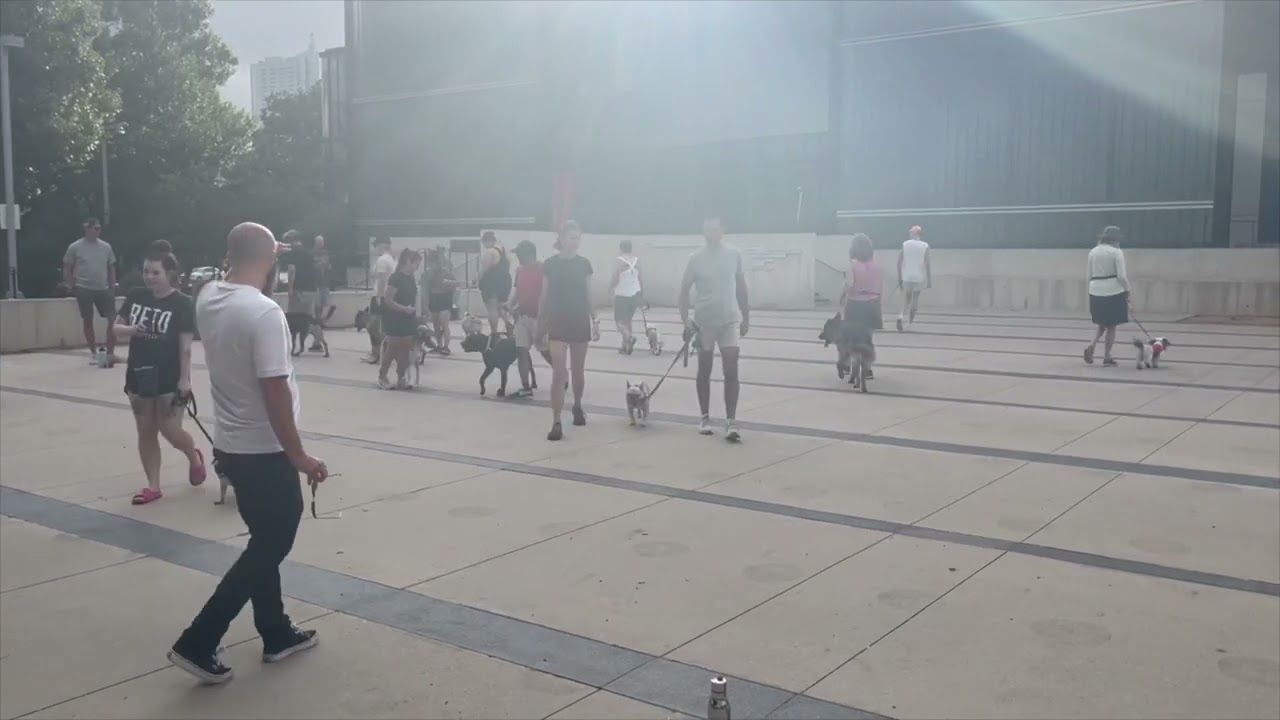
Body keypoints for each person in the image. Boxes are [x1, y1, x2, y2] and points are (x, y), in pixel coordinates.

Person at [167, 222, 327, 685]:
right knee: (272, 543)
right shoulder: (264, 313)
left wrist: (261, 252)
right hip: (265, 450)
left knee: (263, 542)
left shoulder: (209, 297)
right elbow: (274, 390)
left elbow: (243, 261)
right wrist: (299, 456)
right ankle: (200, 638)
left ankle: (276, 632)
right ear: (271, 259)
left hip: (231, 446)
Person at [113, 240, 204, 505]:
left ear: (170, 275)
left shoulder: (183, 303)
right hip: (139, 375)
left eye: (156, 272)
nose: (150, 277)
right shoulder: (135, 296)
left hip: (169, 376)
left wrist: (184, 379)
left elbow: (185, 347)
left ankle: (193, 456)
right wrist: (133, 330)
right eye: (146, 271)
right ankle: (153, 485)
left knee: (170, 429)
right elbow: (117, 329)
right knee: (146, 430)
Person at [679, 214, 750, 441]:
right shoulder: (695, 258)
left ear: (723, 230)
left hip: (729, 320)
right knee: (705, 369)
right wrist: (685, 321)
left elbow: (741, 287)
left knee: (731, 368)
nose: (711, 234)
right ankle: (705, 416)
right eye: (707, 230)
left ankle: (731, 421)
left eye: (715, 230)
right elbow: (683, 292)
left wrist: (746, 316)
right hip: (704, 323)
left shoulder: (734, 254)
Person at [537, 221, 595, 440]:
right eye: (572, 238)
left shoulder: (584, 264)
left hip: (580, 319)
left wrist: (595, 318)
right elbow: (544, 295)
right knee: (559, 372)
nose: (575, 242)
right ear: (561, 238)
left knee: (578, 370)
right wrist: (540, 323)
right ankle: (556, 420)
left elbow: (589, 294)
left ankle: (578, 405)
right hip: (557, 321)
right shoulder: (550, 264)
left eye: (578, 238)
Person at [63, 217, 119, 364]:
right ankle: (94, 353)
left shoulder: (106, 247)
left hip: (103, 288)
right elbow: (67, 266)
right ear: (86, 229)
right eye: (95, 228)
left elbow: (111, 267)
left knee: (113, 319)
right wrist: (71, 284)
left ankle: (110, 352)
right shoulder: (75, 247)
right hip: (83, 288)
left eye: (99, 228)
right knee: (88, 320)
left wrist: (112, 286)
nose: (97, 231)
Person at [508, 240, 551, 397]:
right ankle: (526, 386)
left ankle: (562, 375)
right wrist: (509, 303)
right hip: (522, 317)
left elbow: (547, 294)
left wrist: (545, 319)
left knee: (545, 351)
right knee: (522, 351)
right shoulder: (519, 270)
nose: (518, 257)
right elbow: (516, 290)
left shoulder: (543, 269)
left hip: (539, 318)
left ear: (529, 254)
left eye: (519, 254)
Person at [1084, 225, 1130, 366]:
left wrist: (1092, 291)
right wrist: (1127, 290)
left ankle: (1092, 344)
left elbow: (1089, 276)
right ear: (1115, 240)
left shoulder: (1093, 252)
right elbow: (1121, 276)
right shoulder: (1116, 252)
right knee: (1111, 326)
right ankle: (1107, 356)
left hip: (1095, 290)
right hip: (1113, 291)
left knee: (1102, 322)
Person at [840, 233, 884, 383]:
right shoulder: (876, 264)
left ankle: (850, 365)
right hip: (872, 303)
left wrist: (842, 294)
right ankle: (868, 368)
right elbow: (880, 285)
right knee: (867, 337)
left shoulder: (853, 264)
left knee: (852, 337)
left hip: (855, 304)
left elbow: (850, 284)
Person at [378, 248, 422, 390]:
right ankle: (382, 376)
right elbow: (388, 300)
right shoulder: (395, 278)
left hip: (408, 317)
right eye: (416, 264)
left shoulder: (411, 278)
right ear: (408, 262)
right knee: (392, 348)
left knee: (406, 349)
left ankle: (401, 376)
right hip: (395, 318)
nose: (417, 268)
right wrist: (403, 308)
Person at [284, 231, 325, 351]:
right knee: (309, 319)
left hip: (299, 290)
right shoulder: (308, 253)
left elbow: (292, 271)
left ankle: (294, 346)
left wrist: (290, 289)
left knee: (294, 319)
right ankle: (318, 342)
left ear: (291, 241)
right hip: (311, 289)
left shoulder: (293, 254)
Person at [364, 238, 395, 364]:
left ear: (382, 245)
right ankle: (383, 352)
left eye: (376, 245)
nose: (374, 248)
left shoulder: (382, 260)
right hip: (387, 296)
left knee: (373, 327)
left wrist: (378, 297)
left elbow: (382, 279)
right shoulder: (391, 259)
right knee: (382, 327)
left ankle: (375, 354)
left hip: (379, 296)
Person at [610, 239, 643, 354]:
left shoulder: (620, 261)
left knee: (619, 322)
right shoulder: (637, 261)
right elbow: (640, 278)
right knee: (628, 320)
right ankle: (626, 347)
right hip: (635, 294)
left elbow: (615, 278)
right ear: (630, 248)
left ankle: (629, 337)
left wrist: (610, 287)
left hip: (622, 295)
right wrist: (641, 293)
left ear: (621, 248)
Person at [478, 230, 512, 341]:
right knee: (500, 306)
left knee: (492, 309)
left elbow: (484, 269)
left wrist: (478, 281)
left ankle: (493, 332)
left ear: (487, 241)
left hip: (491, 283)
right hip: (504, 283)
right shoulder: (503, 251)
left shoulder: (489, 252)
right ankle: (508, 324)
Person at [896, 225, 930, 332]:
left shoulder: (905, 244)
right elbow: (927, 264)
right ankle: (909, 324)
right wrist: (929, 279)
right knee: (915, 300)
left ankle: (900, 316)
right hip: (918, 276)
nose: (910, 234)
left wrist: (899, 277)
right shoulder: (925, 246)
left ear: (913, 233)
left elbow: (899, 262)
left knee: (906, 299)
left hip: (907, 275)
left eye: (911, 232)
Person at [423, 247, 457, 355]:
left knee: (444, 323)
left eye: (432, 263)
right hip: (434, 298)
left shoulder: (445, 273)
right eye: (429, 263)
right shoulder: (427, 274)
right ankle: (439, 345)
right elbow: (425, 290)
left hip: (444, 298)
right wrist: (426, 305)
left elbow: (454, 286)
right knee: (436, 324)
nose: (431, 265)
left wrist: (452, 299)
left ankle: (446, 346)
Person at [309, 235, 331, 351]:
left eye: (322, 242)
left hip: (324, 284)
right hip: (316, 284)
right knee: (316, 308)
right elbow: (310, 267)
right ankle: (317, 338)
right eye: (319, 242)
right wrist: (318, 265)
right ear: (315, 242)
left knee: (324, 306)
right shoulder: (311, 254)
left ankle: (318, 335)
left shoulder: (326, 253)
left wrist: (326, 266)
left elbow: (329, 266)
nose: (320, 244)